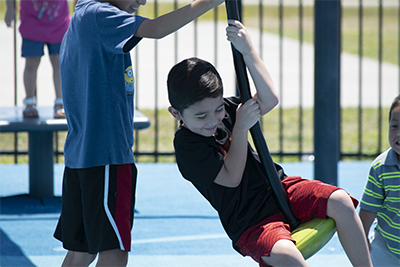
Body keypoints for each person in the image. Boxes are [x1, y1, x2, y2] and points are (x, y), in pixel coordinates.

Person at [167, 20, 373, 267]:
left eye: (218, 108)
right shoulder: (187, 146)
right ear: (176, 113)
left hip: (279, 189)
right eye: (201, 116)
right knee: (287, 255)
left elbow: (269, 99)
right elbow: (232, 177)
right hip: (251, 220)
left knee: (340, 200)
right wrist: (241, 127)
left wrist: (248, 51)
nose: (213, 119)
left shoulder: (230, 111)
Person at [52, 0, 225, 266]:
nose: (143, 1)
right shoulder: (100, 16)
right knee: (114, 250)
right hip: (107, 158)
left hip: (81, 157)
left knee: (81, 252)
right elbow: (156, 28)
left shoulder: (82, 17)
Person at [4, 0, 71, 118]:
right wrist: (10, 7)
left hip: (57, 17)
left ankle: (60, 101)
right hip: (32, 19)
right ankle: (29, 101)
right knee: (31, 63)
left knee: (58, 62)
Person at [359, 94, 400, 266]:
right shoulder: (382, 167)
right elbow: (368, 208)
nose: (398, 133)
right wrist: (362, 238)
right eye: (394, 126)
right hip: (388, 246)